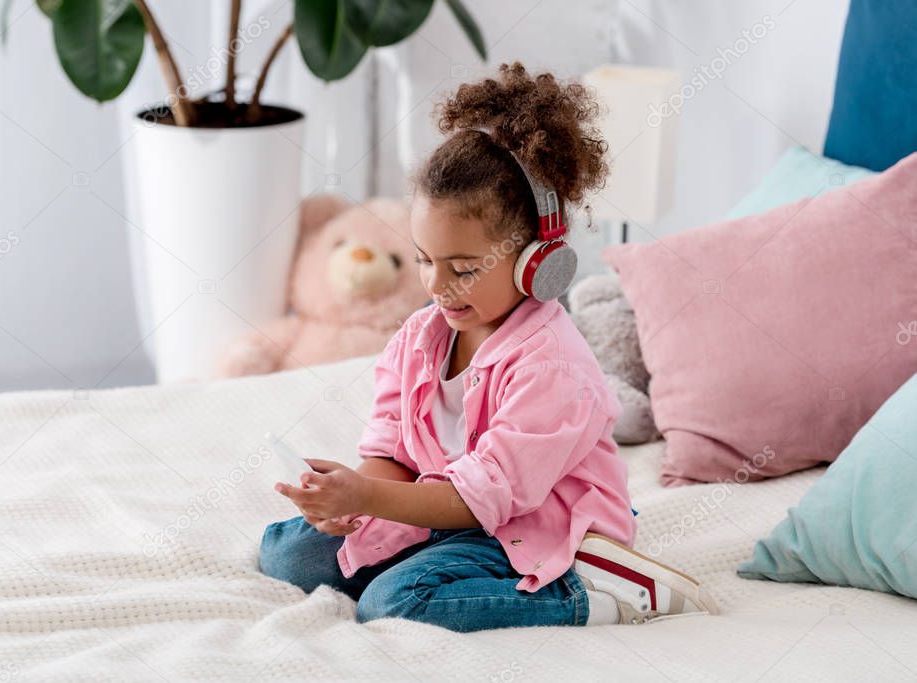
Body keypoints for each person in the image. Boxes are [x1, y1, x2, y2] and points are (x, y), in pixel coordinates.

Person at [259, 62, 717, 632]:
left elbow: (484, 498)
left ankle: (596, 594)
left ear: (536, 262)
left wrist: (374, 500)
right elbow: (393, 451)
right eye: (425, 259)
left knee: (394, 603)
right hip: (444, 511)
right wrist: (353, 497)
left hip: (528, 527)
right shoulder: (421, 338)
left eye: (465, 268)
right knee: (285, 552)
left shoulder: (550, 362)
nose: (437, 285)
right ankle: (425, 558)